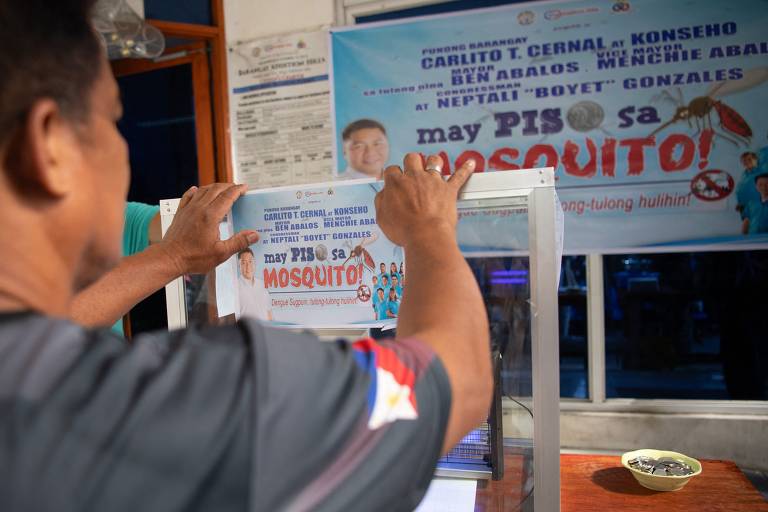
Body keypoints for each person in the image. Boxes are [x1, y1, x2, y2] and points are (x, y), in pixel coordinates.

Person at [0, 2, 491, 510]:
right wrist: (429, 227)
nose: (122, 153)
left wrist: (175, 254)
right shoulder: (215, 402)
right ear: (50, 145)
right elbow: (458, 380)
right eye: (111, 121)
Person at [237, 248, 273, 321]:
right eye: (243, 263)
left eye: (250, 261)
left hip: (265, 330)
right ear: (239, 266)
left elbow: (268, 312)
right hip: (247, 331)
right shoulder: (235, 287)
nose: (248, 266)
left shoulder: (262, 285)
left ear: (254, 263)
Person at [735, 151, 760, 223]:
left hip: (757, 209)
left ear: (756, 160)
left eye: (749, 159)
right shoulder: (744, 175)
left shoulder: (762, 173)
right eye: (744, 160)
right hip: (744, 209)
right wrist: (740, 203)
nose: (746, 162)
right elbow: (741, 190)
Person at [742, 168, 768, 234]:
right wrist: (744, 238)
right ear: (756, 186)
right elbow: (746, 221)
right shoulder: (751, 203)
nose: (764, 187)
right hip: (753, 239)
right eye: (760, 184)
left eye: (767, 184)